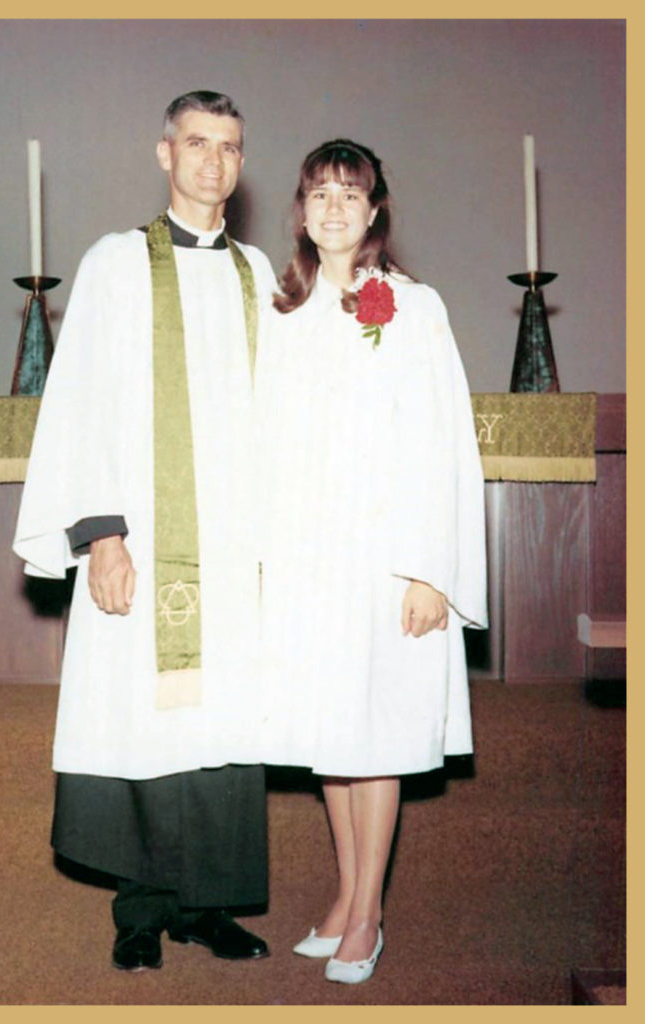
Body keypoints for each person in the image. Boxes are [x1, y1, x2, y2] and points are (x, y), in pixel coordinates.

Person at [13, 91, 276, 972]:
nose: (214, 161)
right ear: (165, 154)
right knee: (140, 720)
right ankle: (139, 909)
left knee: (221, 723)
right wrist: (104, 535)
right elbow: (81, 397)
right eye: (197, 143)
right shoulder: (117, 264)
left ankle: (209, 905)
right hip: (142, 534)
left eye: (229, 147)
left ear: (241, 163)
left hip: (237, 551)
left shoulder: (260, 273)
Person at [256, 139, 487, 984]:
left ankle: (368, 913)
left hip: (388, 557)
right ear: (301, 210)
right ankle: (348, 894)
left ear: (376, 208)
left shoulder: (414, 308)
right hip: (311, 556)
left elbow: (443, 445)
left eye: (351, 194)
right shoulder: (283, 311)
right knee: (332, 733)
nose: (335, 209)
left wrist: (434, 571)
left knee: (377, 732)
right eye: (320, 194)